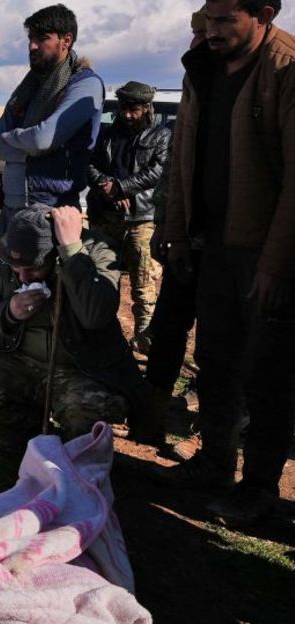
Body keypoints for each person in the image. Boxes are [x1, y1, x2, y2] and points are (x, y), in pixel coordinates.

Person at [158, 0, 294, 527]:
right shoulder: (202, 69)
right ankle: (214, 462)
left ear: (264, 12)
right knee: (216, 362)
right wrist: (174, 232)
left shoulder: (286, 70)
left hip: (264, 256)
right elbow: (182, 156)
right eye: (206, 19)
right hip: (210, 246)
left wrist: (278, 266)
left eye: (224, 21)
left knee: (267, 376)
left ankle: (259, 489)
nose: (210, 31)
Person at [0, 205, 144, 440]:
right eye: (17, 268)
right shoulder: (6, 254)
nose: (22, 277)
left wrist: (72, 253)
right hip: (20, 362)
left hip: (82, 370)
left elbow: (95, 316)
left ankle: (74, 448)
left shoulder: (97, 250)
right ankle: (32, 430)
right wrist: (8, 312)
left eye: (33, 268)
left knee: (88, 410)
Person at [143, 7, 214, 448]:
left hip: (231, 245)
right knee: (168, 331)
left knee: (216, 345)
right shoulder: (195, 80)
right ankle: (149, 418)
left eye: (206, 34)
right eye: (199, 34)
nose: (199, 42)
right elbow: (173, 168)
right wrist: (165, 226)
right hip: (185, 238)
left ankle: (207, 433)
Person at [0, 3, 104, 230]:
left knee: (44, 266)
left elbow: (44, 138)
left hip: (51, 209)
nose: (32, 46)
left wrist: (13, 138)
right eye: (30, 38)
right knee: (4, 266)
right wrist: (31, 147)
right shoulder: (28, 88)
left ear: (66, 40)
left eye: (42, 38)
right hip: (12, 206)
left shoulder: (84, 84)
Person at [86, 81, 171, 353]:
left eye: (133, 109)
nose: (126, 114)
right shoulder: (107, 135)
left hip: (142, 218)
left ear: (147, 108)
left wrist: (122, 187)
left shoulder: (161, 136)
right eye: (123, 108)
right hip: (105, 215)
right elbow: (89, 164)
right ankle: (101, 337)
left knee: (143, 282)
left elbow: (157, 171)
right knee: (101, 276)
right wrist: (106, 186)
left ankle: (144, 342)